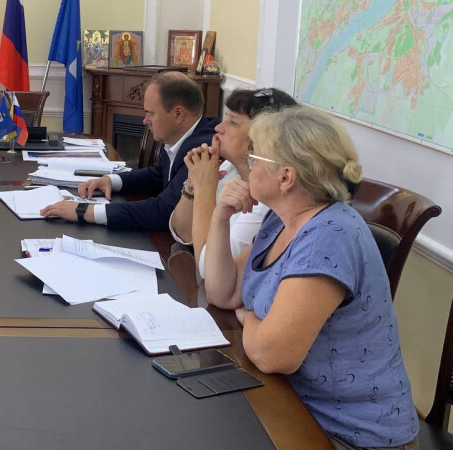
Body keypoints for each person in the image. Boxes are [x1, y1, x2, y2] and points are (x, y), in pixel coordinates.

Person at [203, 106, 418, 450]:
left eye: (254, 157)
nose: (248, 164)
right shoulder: (280, 219)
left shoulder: (328, 235)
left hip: (351, 435)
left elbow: (272, 354)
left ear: (286, 178)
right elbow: (224, 293)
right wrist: (220, 218)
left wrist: (249, 319)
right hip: (295, 405)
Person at [41, 71, 219, 230]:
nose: (145, 120)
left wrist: (85, 211)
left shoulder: (202, 150)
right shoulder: (181, 136)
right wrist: (110, 180)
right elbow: (157, 175)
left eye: (151, 113)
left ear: (178, 114)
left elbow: (164, 211)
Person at [169, 88, 296, 279]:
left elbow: (208, 269)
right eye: (225, 118)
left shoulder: (268, 200)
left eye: (233, 122)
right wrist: (192, 185)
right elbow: (181, 232)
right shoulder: (228, 167)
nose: (219, 128)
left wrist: (205, 188)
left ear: (262, 138)